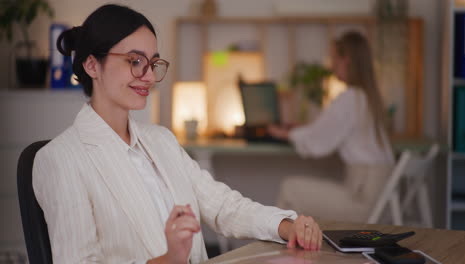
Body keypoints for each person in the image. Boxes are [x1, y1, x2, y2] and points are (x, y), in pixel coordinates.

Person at [32, 4, 322, 264]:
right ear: (92, 65)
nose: (147, 76)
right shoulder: (60, 160)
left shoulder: (161, 141)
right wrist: (168, 260)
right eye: (134, 61)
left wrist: (286, 226)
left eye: (153, 63)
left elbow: (222, 207)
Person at [268, 31, 395, 223]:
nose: (331, 63)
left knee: (289, 188)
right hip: (371, 198)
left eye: (335, 57)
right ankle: (289, 248)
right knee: (297, 191)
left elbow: (317, 141)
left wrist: (284, 133)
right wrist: (302, 128)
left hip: (359, 202)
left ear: (346, 60)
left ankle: (272, 250)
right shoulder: (367, 98)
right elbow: (328, 130)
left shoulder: (349, 98)